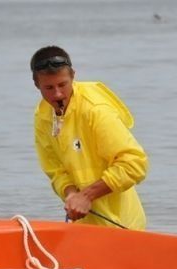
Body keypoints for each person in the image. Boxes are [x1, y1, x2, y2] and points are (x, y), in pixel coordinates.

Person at [31, 46, 148, 230]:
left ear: (73, 76)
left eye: (63, 84)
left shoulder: (95, 110)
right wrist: (70, 193)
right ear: (36, 85)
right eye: (49, 88)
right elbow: (55, 170)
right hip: (85, 228)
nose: (58, 94)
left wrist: (86, 196)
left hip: (122, 226)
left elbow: (135, 164)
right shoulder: (43, 116)